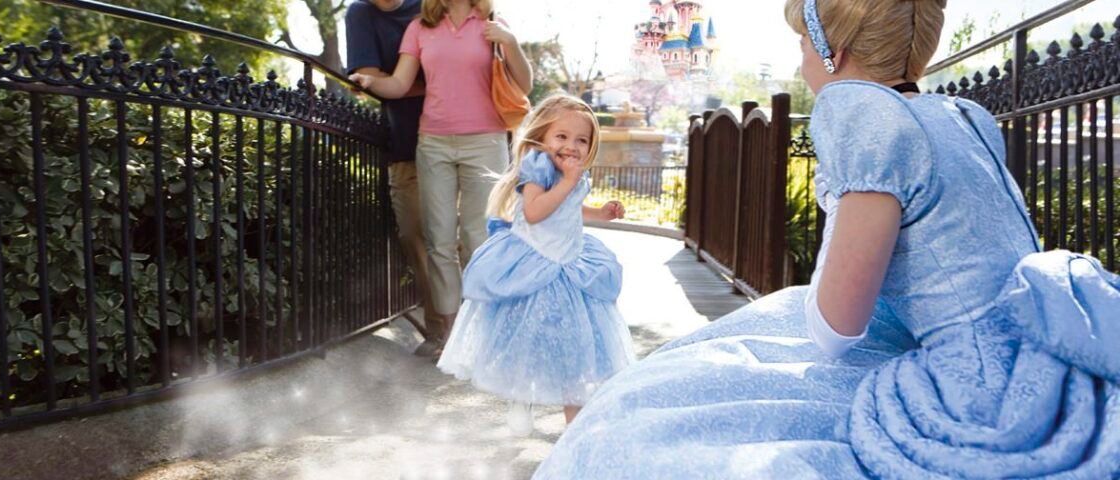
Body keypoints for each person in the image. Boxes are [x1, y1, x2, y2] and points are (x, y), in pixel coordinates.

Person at [535, 0, 1120, 477]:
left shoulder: (865, 115)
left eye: (802, 46)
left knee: (640, 424)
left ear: (832, 53)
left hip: (979, 390)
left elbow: (836, 327)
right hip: (1047, 341)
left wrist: (836, 230)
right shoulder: (965, 115)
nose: (803, 62)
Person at [436, 95, 636, 436]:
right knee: (528, 339)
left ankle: (574, 434)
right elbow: (535, 211)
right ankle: (520, 396)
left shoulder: (575, 173)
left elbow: (568, 209)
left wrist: (600, 212)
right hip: (532, 264)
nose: (571, 146)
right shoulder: (538, 166)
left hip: (569, 267)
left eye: (581, 140)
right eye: (561, 136)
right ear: (542, 136)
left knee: (576, 348)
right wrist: (569, 182)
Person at [351, 0, 534, 356]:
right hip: (433, 143)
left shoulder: (492, 23)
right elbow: (400, 84)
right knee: (439, 240)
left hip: (486, 141)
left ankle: (483, 331)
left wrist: (510, 42)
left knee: (479, 236)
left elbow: (524, 86)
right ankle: (450, 335)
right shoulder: (420, 27)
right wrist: (370, 80)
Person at [345, 0, 442, 356]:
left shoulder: (432, 5)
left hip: (458, 139)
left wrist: (400, 82)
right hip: (405, 145)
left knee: (464, 238)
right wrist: (425, 82)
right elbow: (371, 79)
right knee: (415, 236)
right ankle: (441, 332)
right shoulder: (361, 14)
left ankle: (474, 333)